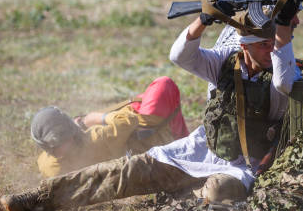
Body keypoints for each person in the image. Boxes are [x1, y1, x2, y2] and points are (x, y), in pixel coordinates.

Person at [0, 0, 303, 211]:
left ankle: (189, 190)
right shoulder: (225, 62)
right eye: (262, 44)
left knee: (218, 191)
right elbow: (180, 56)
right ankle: (38, 198)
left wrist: (284, 31)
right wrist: (203, 20)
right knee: (124, 172)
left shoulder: (283, 67)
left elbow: (283, 82)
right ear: (244, 45)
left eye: (271, 44)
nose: (268, 50)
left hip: (244, 166)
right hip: (198, 150)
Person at [32, 76, 189, 178]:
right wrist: (92, 119)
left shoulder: (47, 165)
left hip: (126, 151)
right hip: (145, 133)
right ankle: (183, 141)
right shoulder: (97, 138)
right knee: (163, 85)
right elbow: (129, 120)